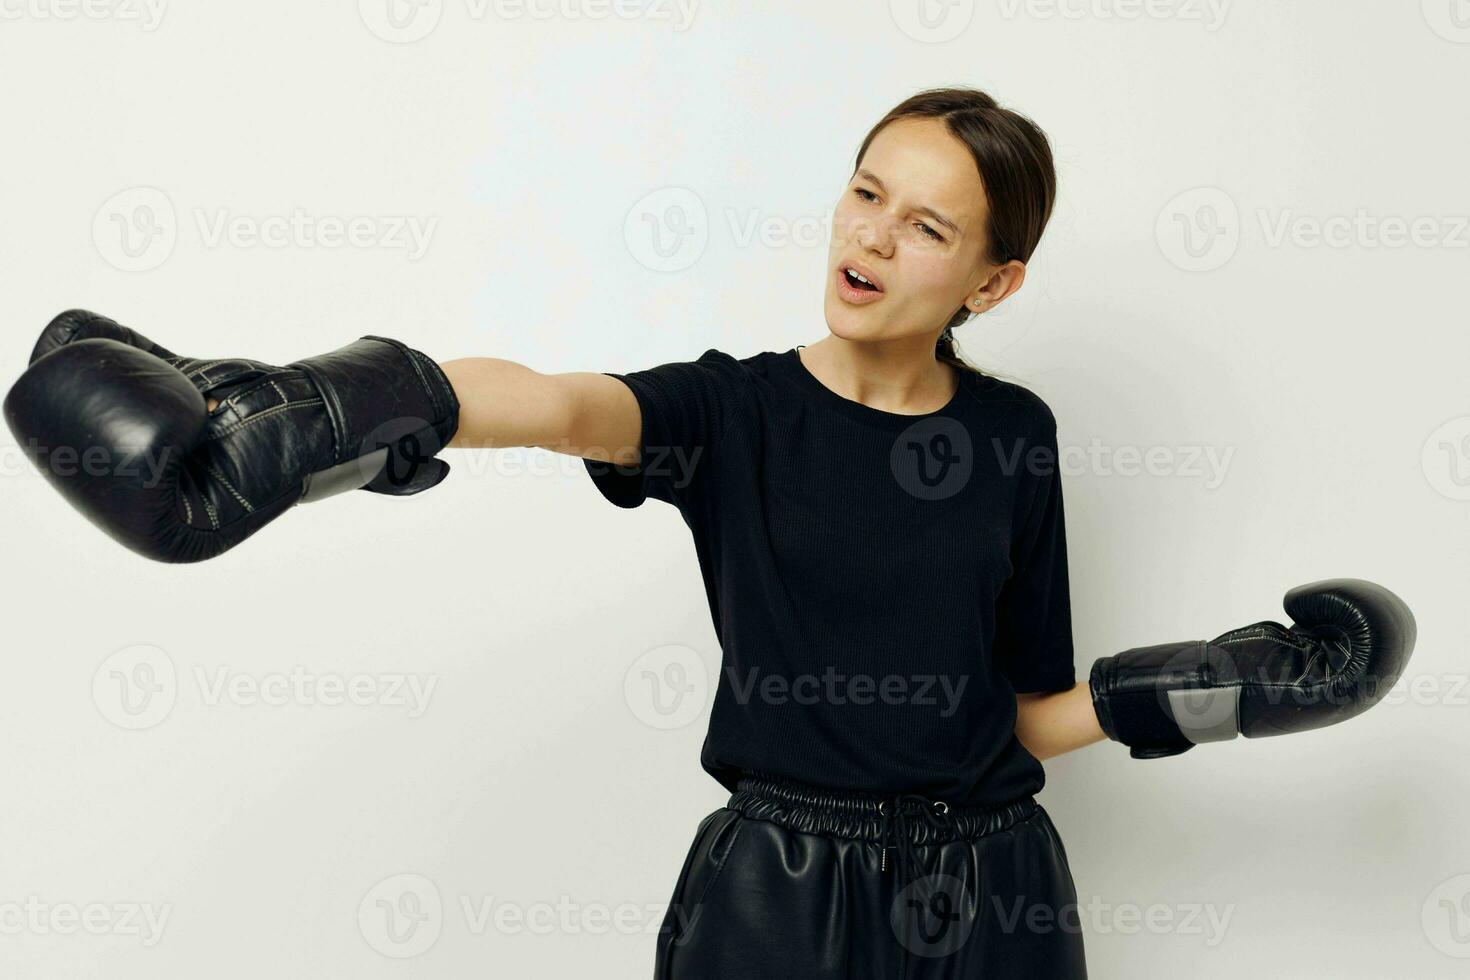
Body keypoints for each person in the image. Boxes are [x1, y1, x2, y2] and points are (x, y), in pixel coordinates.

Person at [4, 88, 1414, 978]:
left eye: (927, 226)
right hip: (780, 897)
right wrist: (331, 405)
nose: (869, 237)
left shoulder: (1011, 438)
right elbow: (550, 401)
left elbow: (1020, 709)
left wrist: (1195, 694)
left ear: (993, 276)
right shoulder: (733, 413)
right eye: (864, 191)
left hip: (995, 893)